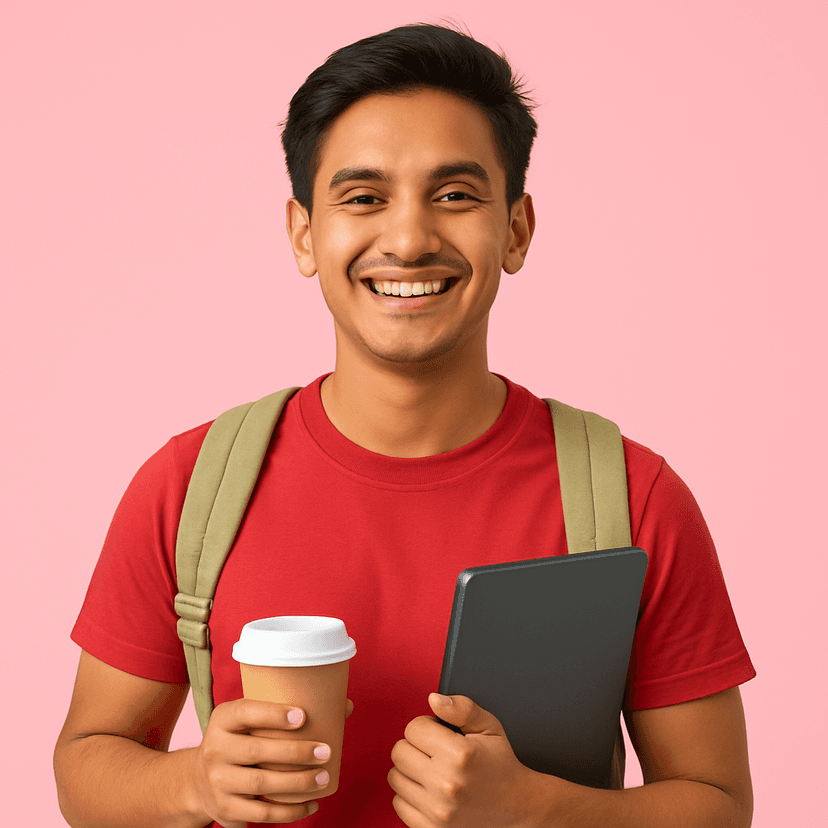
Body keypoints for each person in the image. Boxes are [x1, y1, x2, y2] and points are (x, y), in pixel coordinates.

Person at [54, 23, 755, 828]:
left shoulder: (634, 498)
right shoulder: (188, 488)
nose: (410, 239)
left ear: (517, 229)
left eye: (455, 195)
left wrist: (535, 810)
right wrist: (195, 784)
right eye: (363, 198)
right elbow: (85, 764)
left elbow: (718, 806)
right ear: (304, 234)